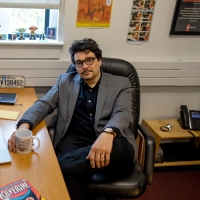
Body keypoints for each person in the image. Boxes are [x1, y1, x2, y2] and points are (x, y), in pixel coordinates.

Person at [8, 38, 136, 200]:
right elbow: (44, 104)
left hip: (113, 141)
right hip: (75, 142)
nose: (85, 66)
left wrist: (108, 134)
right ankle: (57, 169)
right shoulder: (65, 81)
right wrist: (23, 128)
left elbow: (122, 113)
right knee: (72, 179)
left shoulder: (121, 83)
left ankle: (46, 170)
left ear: (99, 60)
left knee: (116, 148)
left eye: (89, 60)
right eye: (79, 63)